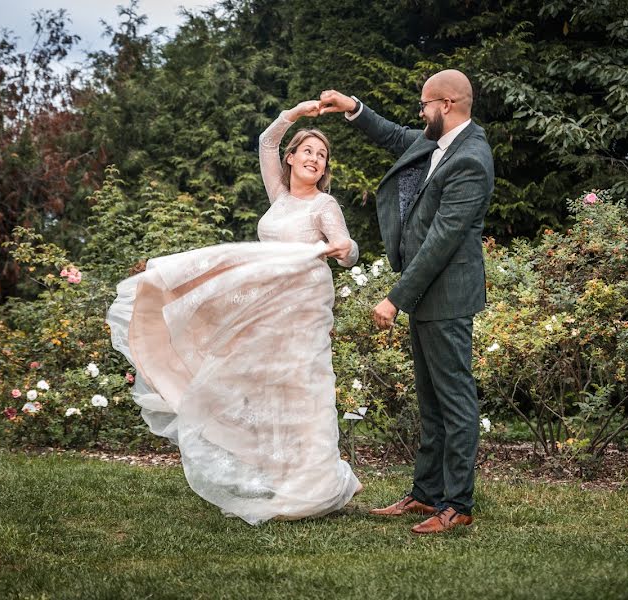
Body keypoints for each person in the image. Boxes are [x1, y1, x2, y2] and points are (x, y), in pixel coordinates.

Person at [106, 100, 362, 525]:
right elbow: (266, 141)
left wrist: (345, 249)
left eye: (322, 155)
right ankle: (283, 475)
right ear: (292, 158)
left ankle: (317, 485)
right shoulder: (278, 196)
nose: (315, 159)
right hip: (265, 302)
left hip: (304, 305)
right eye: (308, 151)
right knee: (265, 386)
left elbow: (349, 252)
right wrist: (295, 114)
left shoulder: (324, 206)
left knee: (302, 385)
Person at [319, 69, 494, 534]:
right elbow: (396, 136)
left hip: (447, 296)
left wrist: (394, 298)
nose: (420, 114)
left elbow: (442, 240)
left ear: (448, 104)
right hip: (427, 296)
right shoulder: (439, 143)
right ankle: (425, 494)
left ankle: (457, 504)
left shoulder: (471, 159)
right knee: (432, 401)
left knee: (455, 402)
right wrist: (352, 106)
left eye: (424, 105)